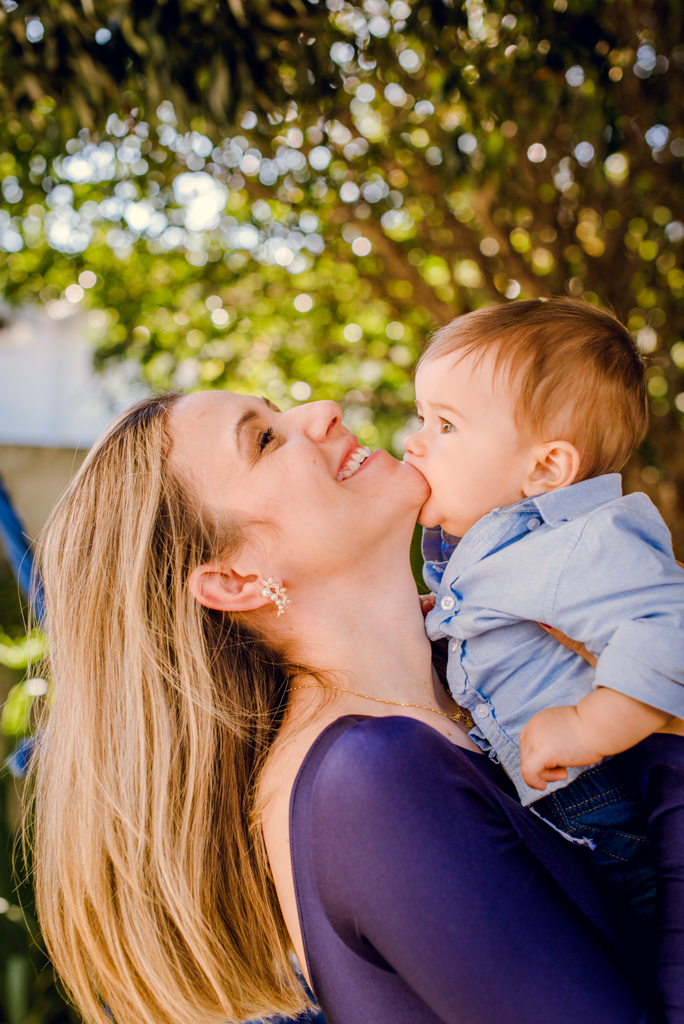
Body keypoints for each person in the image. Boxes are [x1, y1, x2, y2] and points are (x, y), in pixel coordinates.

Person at [30, 389, 681, 1024]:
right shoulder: (373, 776)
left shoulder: (468, 707)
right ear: (236, 579)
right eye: (263, 439)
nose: (322, 412)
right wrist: (669, 737)